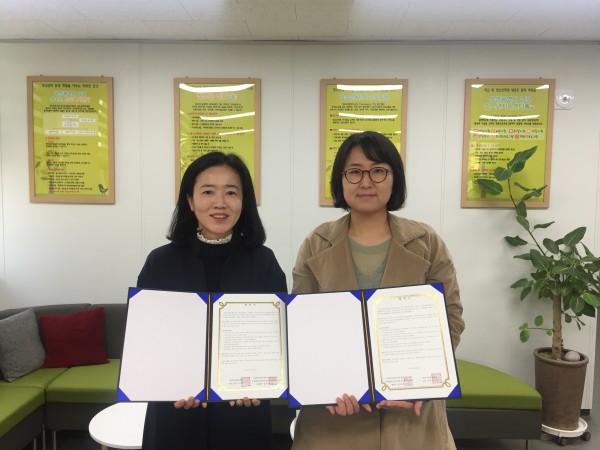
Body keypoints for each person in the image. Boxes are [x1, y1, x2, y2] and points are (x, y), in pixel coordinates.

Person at [291, 131, 465, 449]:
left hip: (412, 419)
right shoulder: (316, 243)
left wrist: (422, 383)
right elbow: (304, 328)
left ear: (394, 178)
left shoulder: (426, 242)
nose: (366, 182)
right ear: (341, 180)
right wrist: (323, 385)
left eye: (378, 171)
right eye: (355, 172)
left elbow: (450, 318)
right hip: (334, 419)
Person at [137, 151, 287, 450]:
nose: (220, 203)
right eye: (208, 192)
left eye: (231, 192)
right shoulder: (160, 262)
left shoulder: (264, 262)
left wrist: (262, 383)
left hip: (243, 413)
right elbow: (145, 340)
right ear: (190, 201)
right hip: (174, 411)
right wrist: (166, 380)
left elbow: (279, 339)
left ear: (244, 201)